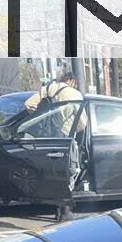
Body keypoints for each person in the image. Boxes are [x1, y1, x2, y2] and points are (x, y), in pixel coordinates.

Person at [24, 70, 85, 222]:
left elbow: (29, 104)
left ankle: (58, 208)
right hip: (65, 136)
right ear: (73, 81)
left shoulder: (48, 89)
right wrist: (75, 131)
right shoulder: (74, 94)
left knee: (54, 172)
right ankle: (65, 210)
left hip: (47, 137)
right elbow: (82, 122)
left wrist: (41, 118)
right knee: (68, 172)